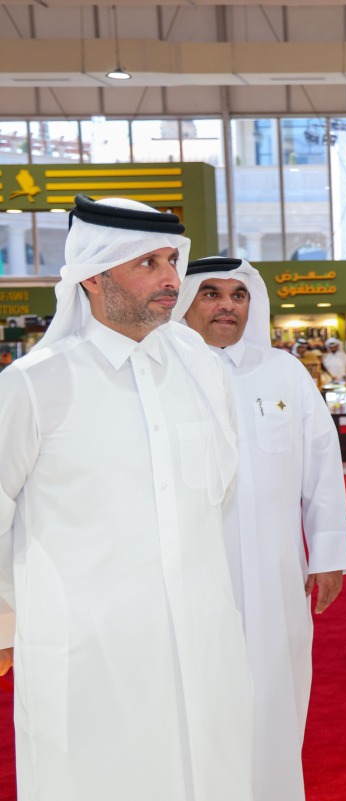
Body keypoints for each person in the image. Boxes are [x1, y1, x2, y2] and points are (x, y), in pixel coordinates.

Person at [0, 195, 253, 800]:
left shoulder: (202, 372)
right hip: (89, 653)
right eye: (147, 263)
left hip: (200, 641)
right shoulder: (34, 384)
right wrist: (6, 626)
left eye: (172, 261)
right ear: (93, 276)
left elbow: (217, 495)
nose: (171, 279)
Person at [176, 256, 346, 801]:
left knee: (278, 690)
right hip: (191, 576)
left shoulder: (283, 371)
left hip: (277, 573)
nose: (226, 305)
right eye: (210, 292)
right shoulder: (162, 370)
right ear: (185, 300)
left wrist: (327, 554)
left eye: (238, 294)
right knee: (196, 698)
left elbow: (321, 464)